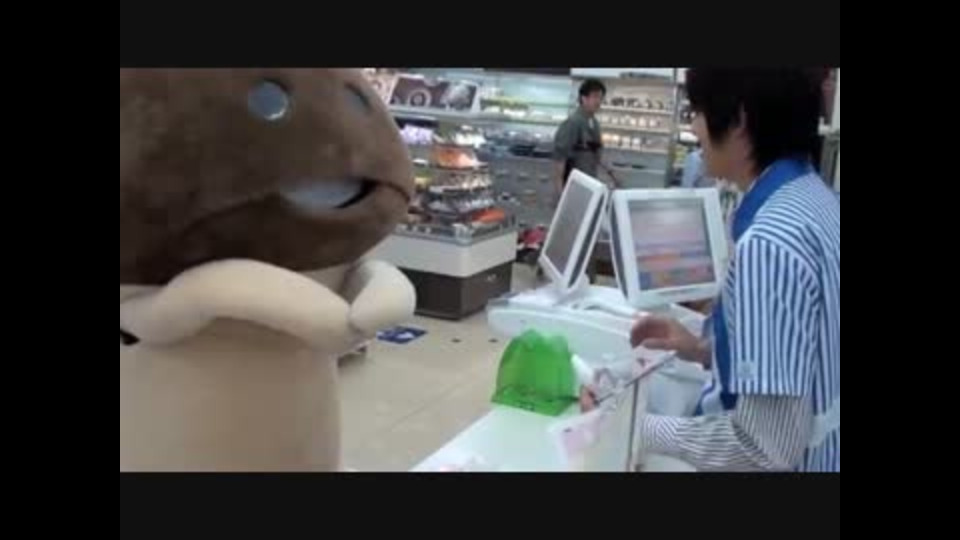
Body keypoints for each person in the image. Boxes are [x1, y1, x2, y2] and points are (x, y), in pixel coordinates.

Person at [630, 69, 840, 472]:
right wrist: (702, 348)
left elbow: (765, 447)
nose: (694, 128)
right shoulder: (817, 200)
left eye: (697, 111)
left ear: (739, 119)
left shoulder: (769, 244)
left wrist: (637, 427)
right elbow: (804, 354)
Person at [553, 79, 608, 196]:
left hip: (588, 185)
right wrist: (560, 193)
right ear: (584, 98)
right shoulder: (572, 123)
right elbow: (560, 159)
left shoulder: (594, 123)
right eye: (595, 97)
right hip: (572, 187)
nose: (598, 101)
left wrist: (612, 174)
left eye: (600, 98)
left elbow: (597, 153)